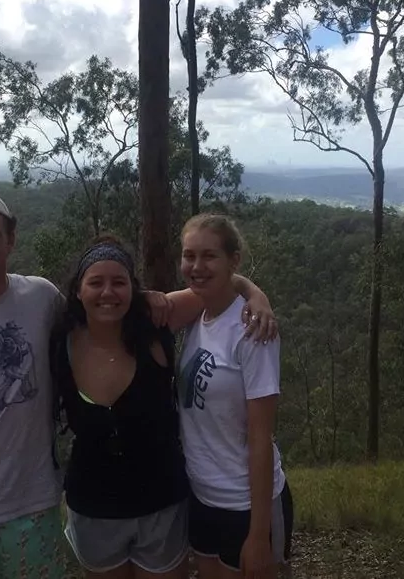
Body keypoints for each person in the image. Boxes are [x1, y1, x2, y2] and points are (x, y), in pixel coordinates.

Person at [0, 190, 277, 579]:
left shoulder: (44, 299)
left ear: (11, 240)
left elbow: (211, 286)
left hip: (53, 509)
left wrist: (254, 295)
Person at [51, 236, 278, 579]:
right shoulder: (61, 341)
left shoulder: (155, 323)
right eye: (96, 282)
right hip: (94, 508)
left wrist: (256, 296)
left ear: (133, 288)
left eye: (119, 282)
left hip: (161, 504)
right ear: (78, 291)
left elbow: (217, 283)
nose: (107, 292)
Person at [176, 214, 293, 579]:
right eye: (189, 255)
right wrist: (251, 288)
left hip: (246, 504)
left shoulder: (253, 331)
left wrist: (259, 534)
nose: (197, 266)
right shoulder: (197, 314)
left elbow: (260, 437)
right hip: (203, 498)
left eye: (209, 256)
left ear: (233, 260)